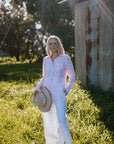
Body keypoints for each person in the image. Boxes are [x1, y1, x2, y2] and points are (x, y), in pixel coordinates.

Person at [34, 35, 75, 144]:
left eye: (55, 43)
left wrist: (67, 89)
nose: (53, 46)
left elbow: (72, 76)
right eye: (51, 43)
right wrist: (37, 88)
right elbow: (44, 77)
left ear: (59, 45)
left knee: (61, 120)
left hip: (60, 94)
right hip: (46, 94)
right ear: (48, 46)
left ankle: (66, 142)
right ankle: (52, 142)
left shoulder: (65, 58)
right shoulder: (45, 60)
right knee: (48, 121)